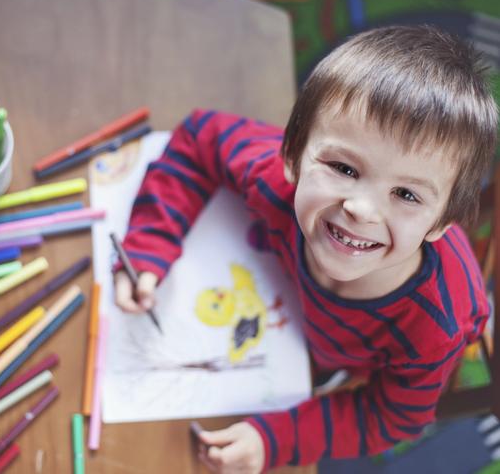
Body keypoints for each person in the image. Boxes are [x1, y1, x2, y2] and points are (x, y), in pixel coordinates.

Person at [113, 25, 498, 472]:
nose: (360, 209)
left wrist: (275, 440)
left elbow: (393, 418)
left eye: (407, 195)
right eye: (343, 168)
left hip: (333, 367)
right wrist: (149, 245)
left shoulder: (436, 327)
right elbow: (201, 136)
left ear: (441, 224)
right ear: (292, 155)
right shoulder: (273, 180)